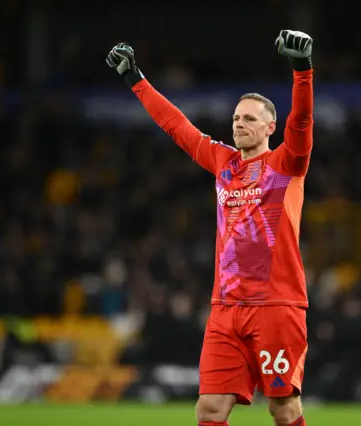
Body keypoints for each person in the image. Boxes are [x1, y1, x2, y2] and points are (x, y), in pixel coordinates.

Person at [106, 30, 314, 426]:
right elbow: (176, 126)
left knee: (283, 407)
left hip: (276, 306)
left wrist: (302, 70)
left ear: (271, 126)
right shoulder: (224, 163)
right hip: (226, 309)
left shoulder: (286, 165)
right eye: (236, 118)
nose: (239, 124)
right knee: (210, 408)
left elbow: (302, 120)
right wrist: (136, 79)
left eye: (249, 118)